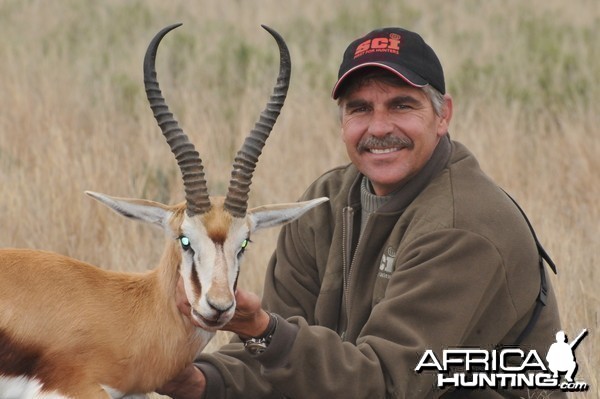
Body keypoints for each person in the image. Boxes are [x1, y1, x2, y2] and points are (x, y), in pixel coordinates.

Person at [158, 27, 564, 398]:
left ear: (443, 116)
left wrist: (260, 328)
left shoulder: (464, 225)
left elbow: (386, 384)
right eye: (360, 108)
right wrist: (204, 380)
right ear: (342, 121)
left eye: (402, 105)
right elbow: (279, 361)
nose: (379, 127)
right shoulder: (327, 201)